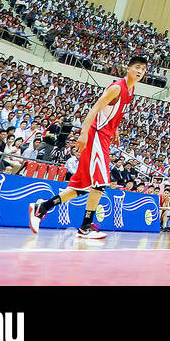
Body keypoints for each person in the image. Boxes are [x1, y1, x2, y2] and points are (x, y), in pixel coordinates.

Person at [28, 56, 148, 241]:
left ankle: (42, 207)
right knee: (100, 184)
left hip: (105, 136)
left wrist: (114, 129)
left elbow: (113, 113)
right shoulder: (117, 87)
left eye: (144, 69)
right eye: (137, 67)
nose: (140, 71)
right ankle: (85, 228)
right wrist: (84, 133)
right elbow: (94, 109)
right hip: (96, 136)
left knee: (82, 187)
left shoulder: (131, 90)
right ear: (128, 68)